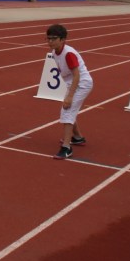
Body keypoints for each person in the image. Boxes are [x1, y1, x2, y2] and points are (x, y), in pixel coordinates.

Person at [46, 24, 93, 160]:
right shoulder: (54, 52)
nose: (50, 41)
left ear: (62, 39)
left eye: (53, 39)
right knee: (69, 109)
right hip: (73, 83)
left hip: (82, 84)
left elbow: (77, 75)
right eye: (48, 38)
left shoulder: (69, 54)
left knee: (66, 111)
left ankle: (67, 148)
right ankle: (77, 137)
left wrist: (70, 96)